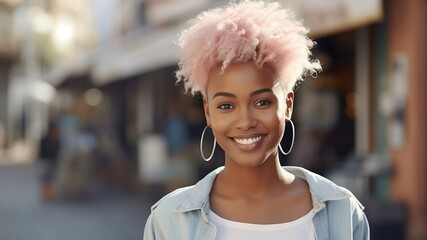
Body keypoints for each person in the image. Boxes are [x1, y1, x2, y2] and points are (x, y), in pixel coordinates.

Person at [144, 1, 369, 239]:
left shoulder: (343, 212)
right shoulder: (168, 221)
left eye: (262, 102)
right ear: (208, 113)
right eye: (226, 106)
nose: (245, 121)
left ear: (288, 105)